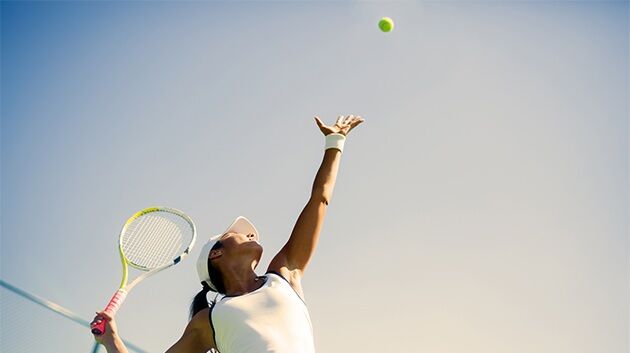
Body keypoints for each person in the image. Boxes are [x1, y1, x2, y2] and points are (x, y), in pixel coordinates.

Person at [91, 115, 365, 353]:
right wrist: (112, 340)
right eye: (237, 233)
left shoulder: (285, 275)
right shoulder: (208, 321)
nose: (250, 235)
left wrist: (335, 143)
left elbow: (320, 200)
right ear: (217, 253)